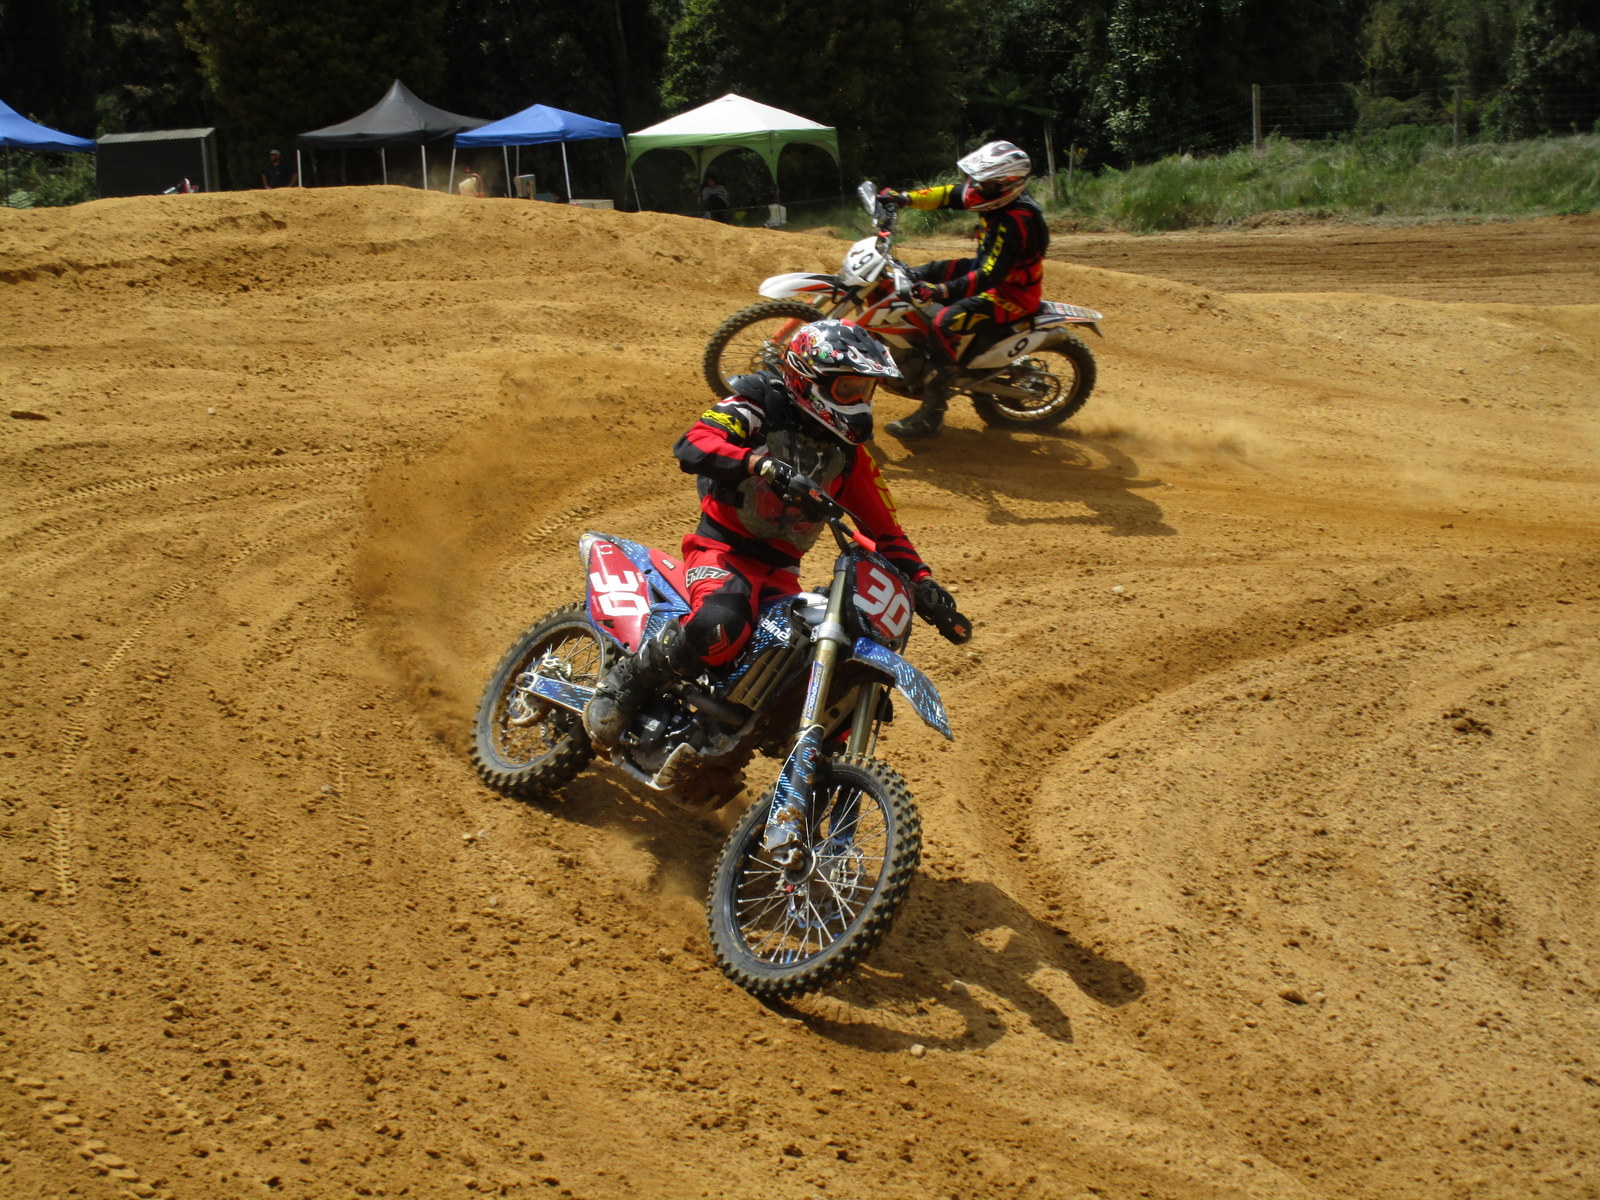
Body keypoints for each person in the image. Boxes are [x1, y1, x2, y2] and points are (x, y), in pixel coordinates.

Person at [582, 318, 972, 751]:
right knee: (719, 627)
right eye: (849, 389)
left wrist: (923, 583)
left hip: (782, 574)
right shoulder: (759, 407)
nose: (860, 403)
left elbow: (885, 532)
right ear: (809, 380)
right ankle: (625, 683)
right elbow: (693, 444)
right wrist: (759, 464)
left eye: (866, 391)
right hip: (722, 550)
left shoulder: (849, 457)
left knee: (805, 660)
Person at [875, 140, 1048, 439]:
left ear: (1006, 185)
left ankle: (932, 416)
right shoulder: (993, 197)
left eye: (984, 185)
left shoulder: (1017, 220)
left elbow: (990, 275)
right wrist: (903, 198)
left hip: (1010, 295)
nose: (975, 189)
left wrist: (941, 291)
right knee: (915, 273)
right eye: (976, 181)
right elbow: (950, 194)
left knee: (943, 324)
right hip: (987, 272)